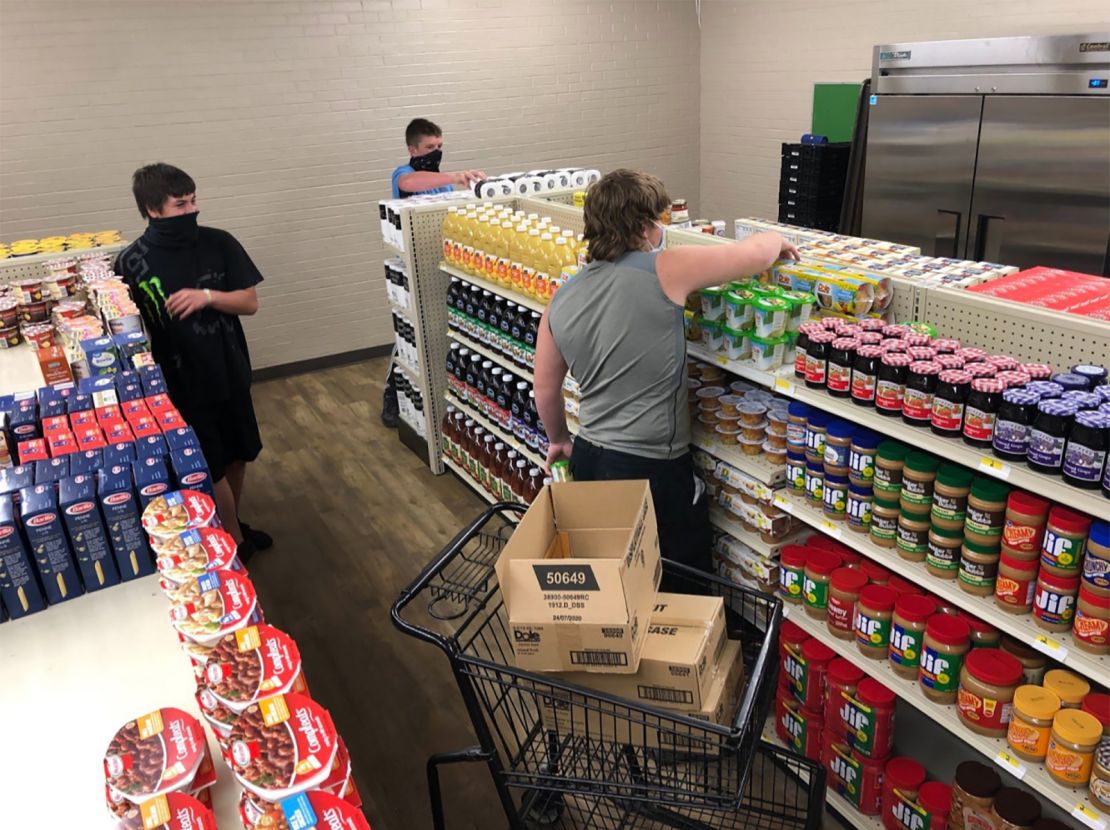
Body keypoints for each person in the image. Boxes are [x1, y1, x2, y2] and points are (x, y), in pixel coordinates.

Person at [533, 169, 797, 581]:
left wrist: (559, 440)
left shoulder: (563, 296)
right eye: (661, 220)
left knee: (614, 577)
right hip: (651, 467)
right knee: (677, 582)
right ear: (644, 226)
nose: (663, 230)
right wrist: (776, 240)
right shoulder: (666, 269)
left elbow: (546, 389)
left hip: (589, 457)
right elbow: (752, 254)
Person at [115, 163, 272, 560]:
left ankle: (228, 521)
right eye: (180, 204)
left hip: (230, 366)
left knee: (238, 452)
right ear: (152, 210)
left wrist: (207, 296)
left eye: (193, 200)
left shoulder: (219, 242)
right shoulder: (132, 262)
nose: (191, 210)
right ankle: (232, 539)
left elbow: (249, 303)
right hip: (181, 379)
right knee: (209, 461)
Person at [382, 118, 485, 427]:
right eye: (430, 147)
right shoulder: (405, 174)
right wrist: (455, 177)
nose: (436, 152)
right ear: (412, 149)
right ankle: (391, 392)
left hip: (442, 265)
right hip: (412, 268)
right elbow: (410, 185)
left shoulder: (440, 180)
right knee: (409, 332)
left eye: (440, 146)